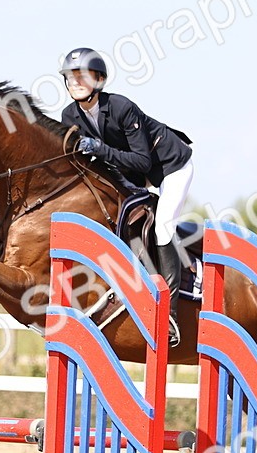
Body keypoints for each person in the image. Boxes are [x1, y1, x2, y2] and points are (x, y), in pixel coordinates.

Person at [58, 47, 194, 346]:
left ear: (100, 79)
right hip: (130, 174)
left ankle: (169, 313)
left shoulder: (121, 107)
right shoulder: (70, 114)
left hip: (169, 167)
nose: (75, 82)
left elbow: (143, 162)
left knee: (163, 227)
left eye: (82, 76)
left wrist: (100, 149)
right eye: (70, 77)